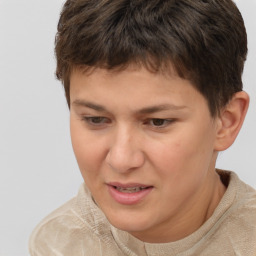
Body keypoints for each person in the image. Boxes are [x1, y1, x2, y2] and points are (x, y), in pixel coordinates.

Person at [29, 0, 256, 255]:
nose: (122, 160)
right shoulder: (56, 244)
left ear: (226, 122)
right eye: (95, 119)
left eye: (158, 122)